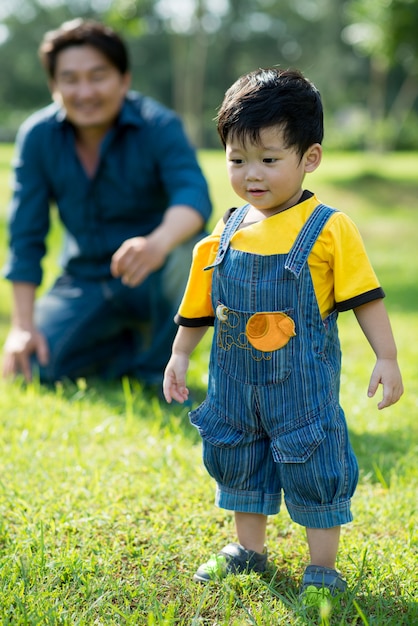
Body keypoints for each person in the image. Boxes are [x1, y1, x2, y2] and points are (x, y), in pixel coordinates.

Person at [163, 68, 403, 597]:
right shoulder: (222, 235)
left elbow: (365, 296)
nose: (253, 174)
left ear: (308, 158)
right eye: (238, 159)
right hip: (234, 387)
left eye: (269, 160)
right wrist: (180, 356)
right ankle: (248, 549)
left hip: (302, 390)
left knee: (315, 463)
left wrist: (386, 357)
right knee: (238, 459)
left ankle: (323, 565)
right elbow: (198, 307)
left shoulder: (329, 228)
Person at [2, 18, 212, 386]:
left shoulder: (158, 125)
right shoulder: (38, 137)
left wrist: (156, 243)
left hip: (153, 272)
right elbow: (25, 234)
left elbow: (194, 196)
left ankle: (153, 368)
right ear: (54, 84)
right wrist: (22, 326)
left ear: (124, 79)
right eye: (70, 79)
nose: (84, 92)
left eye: (98, 76)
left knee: (195, 253)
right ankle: (125, 350)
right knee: (35, 368)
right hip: (84, 279)